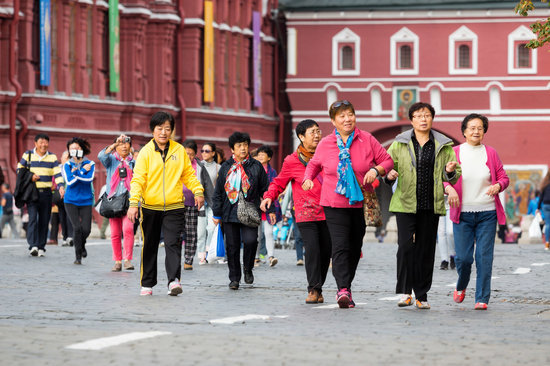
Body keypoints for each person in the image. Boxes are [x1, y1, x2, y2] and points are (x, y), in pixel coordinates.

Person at [303, 101, 393, 308]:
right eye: (341, 116)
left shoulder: (366, 139)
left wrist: (376, 170)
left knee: (354, 247)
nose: (347, 119)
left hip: (360, 202)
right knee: (340, 246)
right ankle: (343, 289)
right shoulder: (326, 143)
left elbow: (387, 160)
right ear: (333, 121)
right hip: (333, 203)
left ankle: (346, 284)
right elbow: (314, 164)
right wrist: (308, 178)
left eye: (350, 114)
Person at [385, 102, 460, 310]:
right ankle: (405, 292)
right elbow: (389, 166)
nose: (423, 119)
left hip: (430, 203)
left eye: (427, 115)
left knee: (426, 250)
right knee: (406, 247)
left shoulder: (443, 145)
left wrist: (450, 171)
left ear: (432, 118)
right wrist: (389, 175)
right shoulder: (399, 143)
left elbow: (453, 175)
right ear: (411, 120)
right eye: (418, 116)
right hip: (405, 203)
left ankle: (421, 294)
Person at [128, 111, 204, 296]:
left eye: (167, 129)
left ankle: (173, 281)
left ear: (172, 131)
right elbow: (138, 180)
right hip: (150, 206)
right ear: (153, 130)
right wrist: (133, 203)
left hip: (174, 205)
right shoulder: (145, 153)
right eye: (159, 128)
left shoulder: (179, 150)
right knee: (150, 245)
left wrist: (198, 191)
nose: (163, 132)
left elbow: (188, 174)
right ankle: (147, 284)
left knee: (173, 243)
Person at [262, 119, 333, 303]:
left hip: (329, 210)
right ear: (301, 137)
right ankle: (313, 289)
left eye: (318, 131)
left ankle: (319, 286)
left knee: (326, 251)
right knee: (312, 249)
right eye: (312, 132)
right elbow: (279, 182)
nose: (317, 135)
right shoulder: (292, 161)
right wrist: (270, 195)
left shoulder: (328, 155)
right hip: (305, 212)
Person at [445, 113, 509, 310]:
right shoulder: (454, 152)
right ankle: (461, 285)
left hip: (487, 213)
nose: (476, 131)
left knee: (484, 256)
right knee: (464, 259)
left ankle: (482, 298)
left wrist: (498, 186)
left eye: (480, 127)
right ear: (464, 131)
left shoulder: (490, 153)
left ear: (484, 131)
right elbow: (443, 178)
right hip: (462, 213)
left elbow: (503, 177)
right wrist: (449, 180)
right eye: (472, 127)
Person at [212, 132, 273, 290]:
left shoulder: (256, 166)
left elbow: (265, 189)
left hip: (250, 211)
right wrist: (217, 214)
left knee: (251, 241)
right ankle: (234, 278)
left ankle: (248, 269)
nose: (243, 148)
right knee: (231, 247)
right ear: (232, 149)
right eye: (239, 146)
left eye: (245, 145)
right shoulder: (226, 167)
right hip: (229, 211)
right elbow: (218, 192)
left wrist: (270, 208)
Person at [18, 133, 65, 257]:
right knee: (33, 219)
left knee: (44, 220)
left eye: (46, 142)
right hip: (32, 193)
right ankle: (33, 245)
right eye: (41, 142)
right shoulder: (27, 155)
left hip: (47, 194)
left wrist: (60, 187)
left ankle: (41, 247)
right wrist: (30, 176)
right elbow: (19, 170)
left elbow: (57, 174)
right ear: (35, 143)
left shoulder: (52, 157)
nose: (43, 145)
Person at [98, 134, 136, 271]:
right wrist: (113, 145)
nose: (124, 146)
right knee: (114, 233)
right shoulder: (111, 160)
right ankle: (117, 261)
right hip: (113, 201)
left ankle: (127, 260)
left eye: (126, 143)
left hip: (129, 201)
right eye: (120, 144)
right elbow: (101, 156)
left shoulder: (134, 162)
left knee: (128, 229)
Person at [62, 137, 95, 265]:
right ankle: (78, 257)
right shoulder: (67, 164)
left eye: (77, 148)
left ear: (82, 149)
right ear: (69, 151)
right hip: (70, 200)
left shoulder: (90, 164)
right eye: (72, 149)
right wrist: (82, 171)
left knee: (86, 229)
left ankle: (82, 244)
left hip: (86, 200)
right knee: (77, 228)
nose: (75, 150)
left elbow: (89, 179)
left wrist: (76, 173)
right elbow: (69, 181)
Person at [181, 139, 210, 270]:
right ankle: (175, 257)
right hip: (176, 203)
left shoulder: (199, 166)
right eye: (186, 153)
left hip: (193, 204)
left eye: (191, 154)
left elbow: (207, 185)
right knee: (176, 232)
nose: (189, 157)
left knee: (191, 233)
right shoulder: (174, 164)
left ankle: (188, 259)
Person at [256, 145, 282, 267]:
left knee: (268, 232)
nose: (260, 156)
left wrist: (271, 206)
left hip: (269, 205)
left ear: (269, 157)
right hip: (255, 206)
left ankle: (271, 256)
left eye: (263, 154)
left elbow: (274, 189)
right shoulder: (253, 169)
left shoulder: (272, 172)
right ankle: (255, 257)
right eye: (259, 154)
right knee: (256, 234)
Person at [197, 142, 220, 265]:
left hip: (212, 203)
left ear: (213, 153)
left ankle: (208, 252)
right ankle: (201, 256)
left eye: (207, 151)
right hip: (200, 202)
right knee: (200, 231)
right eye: (202, 151)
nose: (204, 153)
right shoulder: (198, 166)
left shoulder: (218, 168)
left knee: (211, 228)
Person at [437, 197, 456, 270]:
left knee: (450, 232)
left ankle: (453, 255)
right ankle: (444, 260)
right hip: (439, 201)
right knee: (441, 232)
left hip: (451, 200)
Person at [537, 171, 550, 250]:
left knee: (548, 224)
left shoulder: (544, 184)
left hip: (545, 206)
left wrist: (538, 208)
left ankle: (547, 244)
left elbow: (540, 197)